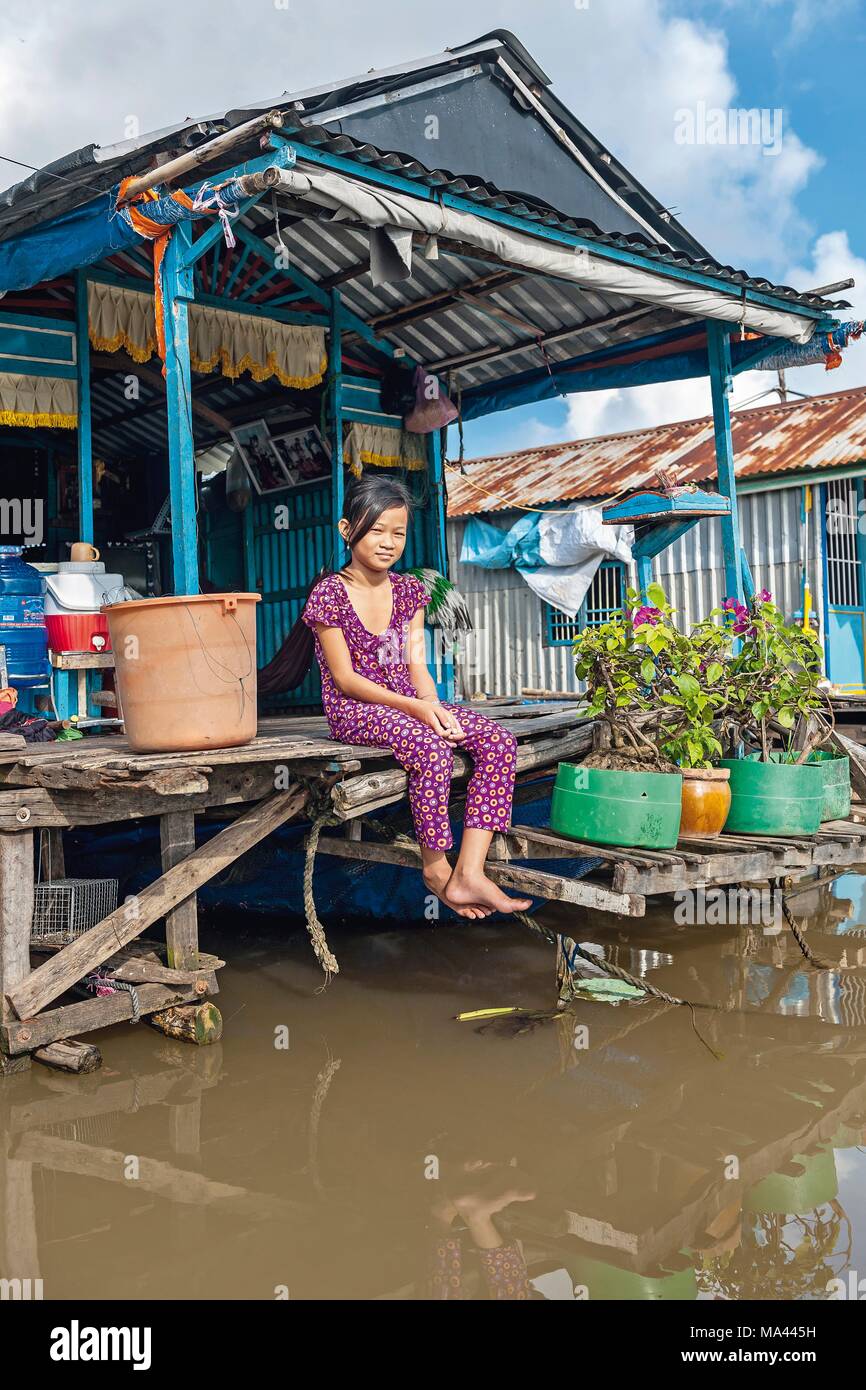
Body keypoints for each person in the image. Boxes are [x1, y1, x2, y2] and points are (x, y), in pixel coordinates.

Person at [300, 475, 532, 920]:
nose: (388, 542)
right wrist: (418, 710)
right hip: (356, 711)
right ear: (346, 530)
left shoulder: (410, 591)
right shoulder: (329, 594)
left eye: (398, 532)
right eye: (376, 530)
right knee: (432, 750)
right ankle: (434, 866)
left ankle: (469, 871)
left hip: (412, 702)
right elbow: (345, 680)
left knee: (499, 743)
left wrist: (435, 706)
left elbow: (417, 666)